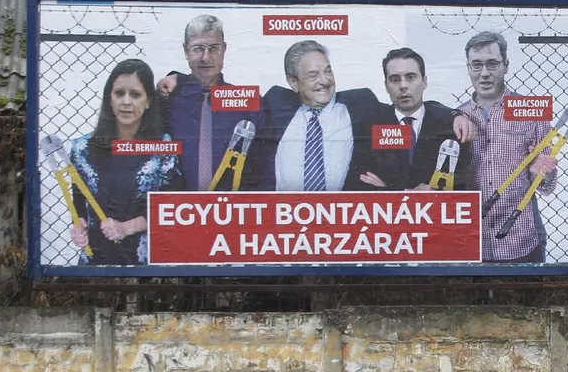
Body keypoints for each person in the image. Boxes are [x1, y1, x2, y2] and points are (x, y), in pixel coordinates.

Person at [66, 58, 181, 266]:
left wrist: (125, 227)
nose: (126, 102)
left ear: (148, 102)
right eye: (119, 93)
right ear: (109, 99)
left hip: (147, 266)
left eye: (135, 94)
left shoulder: (163, 148)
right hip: (95, 265)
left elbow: (169, 208)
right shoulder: (82, 149)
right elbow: (79, 203)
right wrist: (77, 227)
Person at [457, 31, 558, 263]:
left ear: (506, 65)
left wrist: (540, 172)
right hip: (472, 240)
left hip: (521, 238)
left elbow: (547, 185)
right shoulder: (458, 116)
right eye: (477, 65)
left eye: (492, 64)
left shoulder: (531, 113)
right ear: (468, 68)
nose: (484, 73)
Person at [159, 14, 269, 191]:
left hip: (230, 210)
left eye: (213, 48)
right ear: (186, 51)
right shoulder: (167, 99)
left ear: (224, 50)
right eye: (198, 49)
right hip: (177, 209)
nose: (205, 58)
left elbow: (264, 165)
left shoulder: (248, 101)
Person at [346, 47, 476, 192]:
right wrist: (400, 193)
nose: (403, 86)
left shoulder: (449, 125)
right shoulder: (370, 126)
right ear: (386, 86)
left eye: (411, 77)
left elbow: (463, 184)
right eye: (395, 79)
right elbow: (359, 183)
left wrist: (435, 192)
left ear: (425, 82)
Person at [257, 40, 381, 191]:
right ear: (293, 82)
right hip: (283, 212)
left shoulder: (363, 104)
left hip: (341, 211)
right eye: (313, 75)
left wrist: (394, 187)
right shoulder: (275, 103)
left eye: (328, 71)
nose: (324, 80)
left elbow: (403, 132)